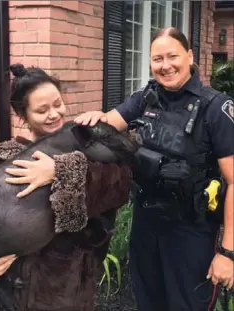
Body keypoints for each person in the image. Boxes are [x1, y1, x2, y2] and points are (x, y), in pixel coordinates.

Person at [74, 27, 234, 311]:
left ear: (189, 55)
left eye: (172, 56)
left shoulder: (216, 109)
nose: (165, 65)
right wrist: (93, 120)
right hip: (146, 226)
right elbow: (108, 125)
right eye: (157, 59)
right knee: (148, 303)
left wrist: (228, 253)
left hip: (191, 233)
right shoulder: (145, 97)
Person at [0, 63, 133, 311]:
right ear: (23, 115)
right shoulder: (0, 160)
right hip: (11, 295)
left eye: (57, 104)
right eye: (42, 110)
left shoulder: (88, 149)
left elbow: (121, 187)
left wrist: (61, 172)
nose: (54, 114)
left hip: (64, 294)